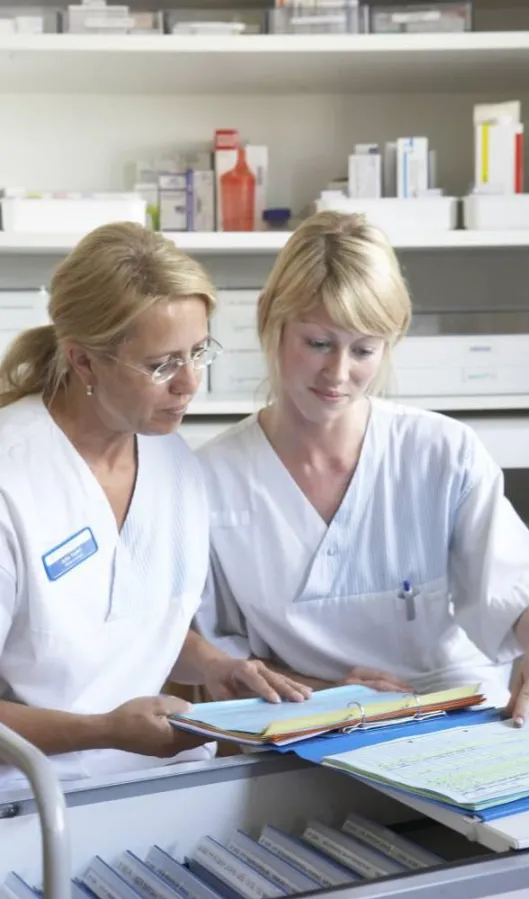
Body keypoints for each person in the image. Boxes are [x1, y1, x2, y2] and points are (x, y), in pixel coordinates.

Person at [193, 210, 529, 726]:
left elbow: (522, 592)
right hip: (301, 723)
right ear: (271, 320)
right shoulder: (211, 479)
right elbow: (218, 660)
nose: (338, 373)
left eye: (363, 349)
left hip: (455, 710)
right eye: (317, 343)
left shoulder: (441, 451)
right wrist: (328, 694)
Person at [0, 222, 309, 788]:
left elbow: (131, 623)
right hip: (30, 797)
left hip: (161, 776)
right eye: (162, 364)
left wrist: (215, 665)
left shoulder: (176, 469)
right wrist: (103, 731)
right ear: (85, 362)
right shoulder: (11, 480)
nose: (189, 383)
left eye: (198, 352)